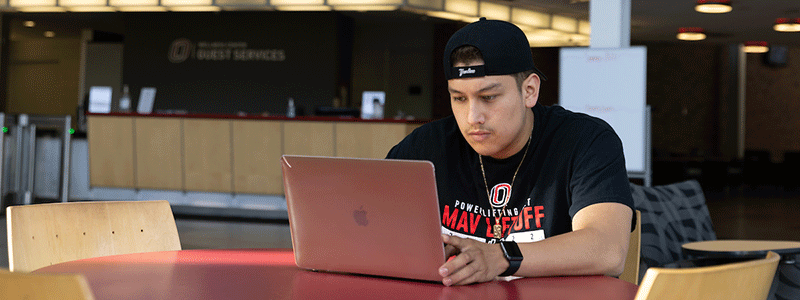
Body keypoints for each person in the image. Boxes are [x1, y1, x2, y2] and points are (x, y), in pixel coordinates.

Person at [386, 18, 635, 286]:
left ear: (529, 91)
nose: (473, 117)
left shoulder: (586, 141)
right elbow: (371, 225)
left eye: (489, 97)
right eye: (459, 98)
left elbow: (608, 249)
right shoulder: (426, 146)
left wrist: (501, 256)